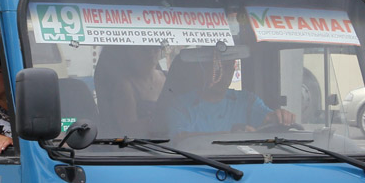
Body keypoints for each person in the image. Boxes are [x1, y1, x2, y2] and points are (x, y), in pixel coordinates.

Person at [161, 47, 294, 135]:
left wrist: (279, 117)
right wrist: (230, 136)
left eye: (228, 67)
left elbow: (267, 118)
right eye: (217, 68)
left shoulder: (247, 101)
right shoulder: (180, 106)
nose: (223, 74)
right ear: (201, 69)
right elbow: (181, 140)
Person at [94, 45, 165, 137]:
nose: (151, 53)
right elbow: (129, 130)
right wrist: (162, 121)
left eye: (156, 48)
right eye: (145, 49)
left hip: (178, 146)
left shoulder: (168, 78)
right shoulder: (125, 86)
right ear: (132, 53)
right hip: (141, 147)